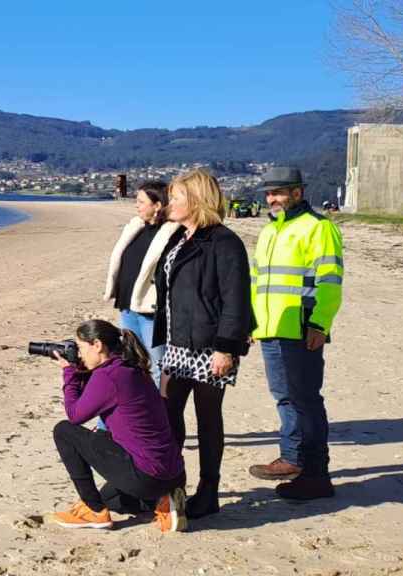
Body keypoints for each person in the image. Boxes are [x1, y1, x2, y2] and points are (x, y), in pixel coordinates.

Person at [153, 169, 252, 519]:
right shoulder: (179, 237)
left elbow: (236, 300)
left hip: (212, 346)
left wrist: (226, 348)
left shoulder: (225, 242)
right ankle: (171, 484)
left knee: (208, 419)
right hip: (177, 342)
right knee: (166, 414)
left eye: (177, 197)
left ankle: (208, 491)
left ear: (197, 200)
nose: (170, 203)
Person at [247, 166, 344, 500]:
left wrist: (320, 324)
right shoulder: (269, 231)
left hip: (301, 328)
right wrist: (251, 322)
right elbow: (257, 281)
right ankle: (299, 465)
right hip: (269, 328)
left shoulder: (319, 228)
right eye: (268, 194)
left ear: (297, 193)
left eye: (277, 193)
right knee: (285, 397)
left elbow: (330, 281)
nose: (271, 199)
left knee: (305, 400)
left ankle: (311, 470)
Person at [49, 319, 188, 532]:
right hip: (173, 473)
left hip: (146, 474)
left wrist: (70, 374)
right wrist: (80, 371)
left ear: (97, 345)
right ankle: (164, 503)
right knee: (115, 501)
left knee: (64, 431)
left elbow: (75, 415)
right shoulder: (133, 368)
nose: (79, 354)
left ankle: (93, 511)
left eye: (81, 348)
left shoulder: (108, 376)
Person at [104, 180, 182, 391]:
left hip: (151, 311)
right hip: (128, 307)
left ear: (157, 205)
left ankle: (160, 413)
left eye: (141, 201)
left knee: (159, 365)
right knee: (130, 363)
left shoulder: (172, 234)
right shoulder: (136, 228)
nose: (136, 205)